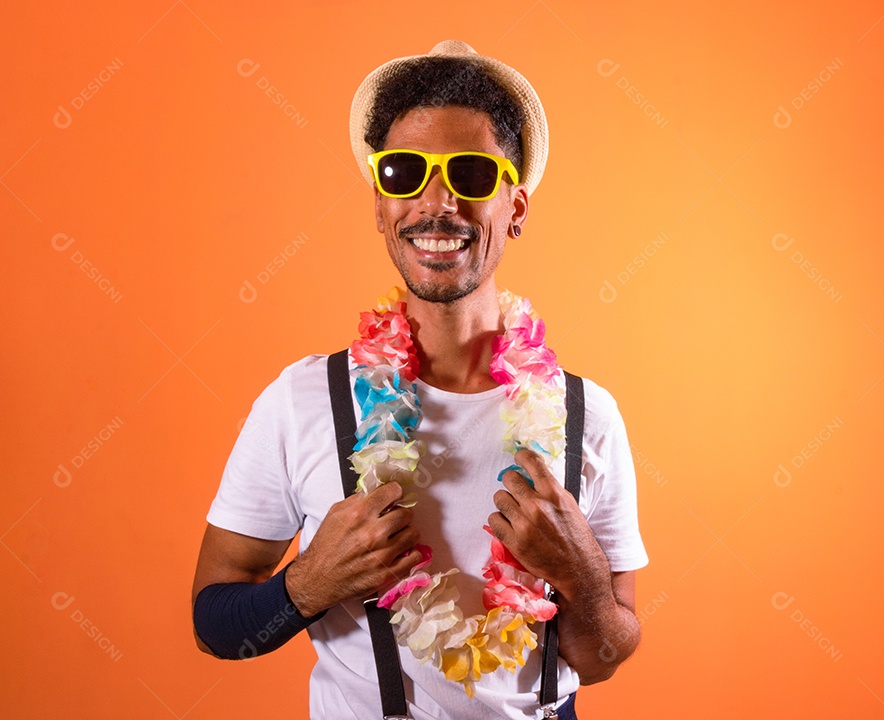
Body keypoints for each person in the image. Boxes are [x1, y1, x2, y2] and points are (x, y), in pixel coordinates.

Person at [191, 40, 648, 720]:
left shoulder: (588, 414)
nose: (439, 205)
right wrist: (307, 586)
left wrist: (580, 571)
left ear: (516, 208)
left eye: (470, 173)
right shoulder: (301, 401)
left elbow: (603, 659)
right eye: (406, 173)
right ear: (381, 205)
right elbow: (215, 625)